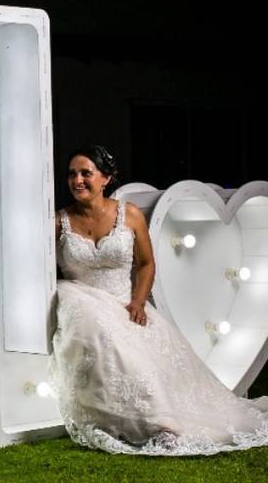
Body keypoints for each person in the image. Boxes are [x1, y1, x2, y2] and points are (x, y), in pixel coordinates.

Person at [50, 144, 268, 455]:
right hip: (80, 299)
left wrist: (138, 303)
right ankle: (153, 424)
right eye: (72, 174)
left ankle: (167, 422)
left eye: (86, 173)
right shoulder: (59, 221)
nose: (77, 180)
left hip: (124, 303)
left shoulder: (130, 215)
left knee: (151, 364)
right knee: (102, 336)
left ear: (106, 178)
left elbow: (146, 264)